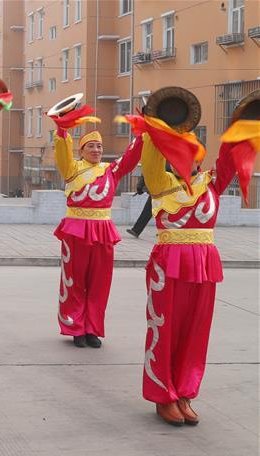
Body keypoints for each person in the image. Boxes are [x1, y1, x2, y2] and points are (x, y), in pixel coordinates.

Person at [139, 135, 239, 426]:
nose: (185, 159)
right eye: (177, 153)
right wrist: (153, 130)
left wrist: (241, 127)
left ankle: (184, 393)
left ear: (199, 158)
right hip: (168, 264)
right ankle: (164, 395)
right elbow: (150, 162)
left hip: (204, 264)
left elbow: (230, 159)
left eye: (191, 154)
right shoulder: (161, 183)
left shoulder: (212, 184)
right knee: (164, 326)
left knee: (196, 331)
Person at [50, 126, 143, 348]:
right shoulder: (72, 169)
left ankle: (92, 328)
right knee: (75, 281)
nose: (96, 150)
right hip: (76, 230)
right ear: (81, 150)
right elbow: (63, 151)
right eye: (90, 146)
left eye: (99, 146)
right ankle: (75, 327)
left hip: (102, 231)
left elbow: (130, 159)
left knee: (100, 283)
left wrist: (142, 135)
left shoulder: (110, 170)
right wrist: (62, 131)